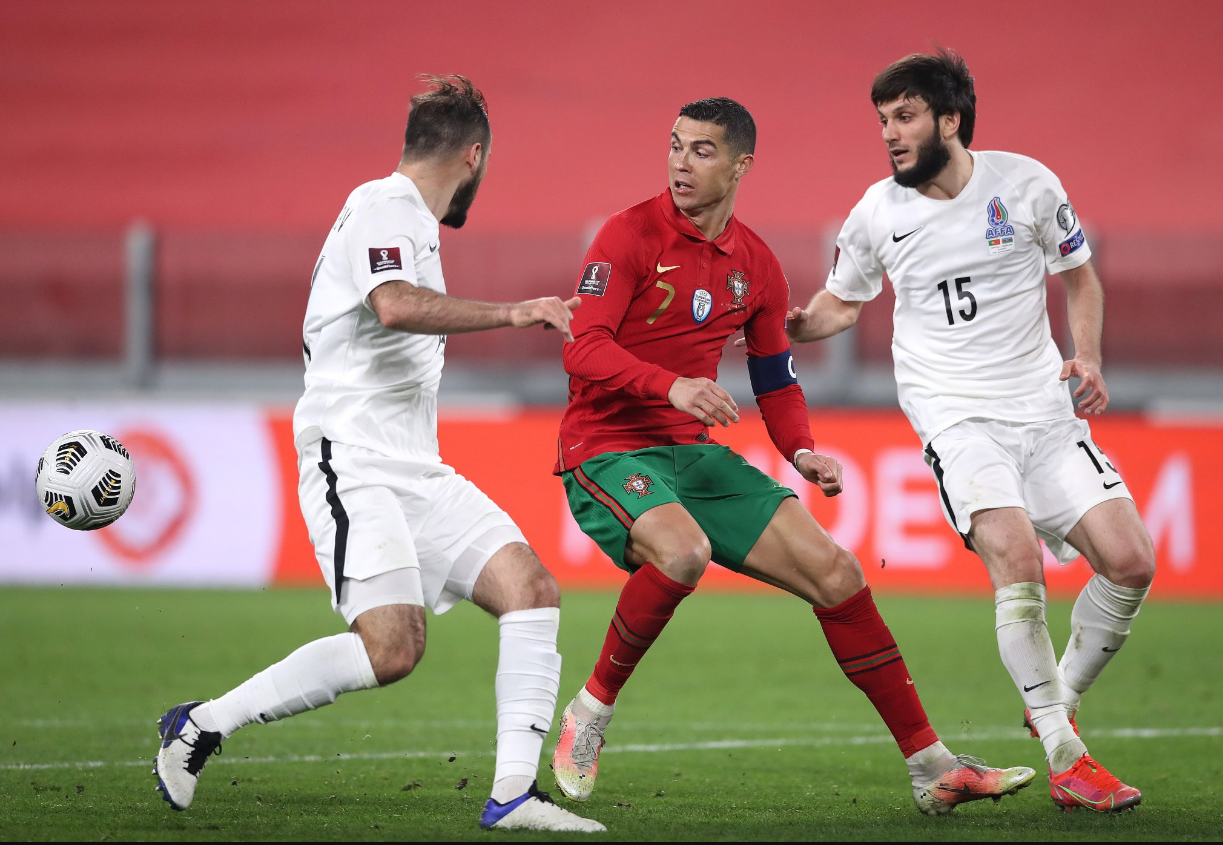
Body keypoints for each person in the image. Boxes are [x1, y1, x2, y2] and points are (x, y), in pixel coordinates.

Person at [550, 96, 1034, 816]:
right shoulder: (627, 235)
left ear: (742, 165)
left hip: (691, 451)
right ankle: (589, 711)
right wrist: (673, 385)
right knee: (682, 552)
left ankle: (933, 767)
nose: (682, 162)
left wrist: (800, 449)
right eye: (676, 146)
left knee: (837, 573)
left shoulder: (757, 267)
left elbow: (774, 377)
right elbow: (583, 346)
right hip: (607, 444)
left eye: (703, 150)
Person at [151, 75, 604, 833]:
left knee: (530, 589)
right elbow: (393, 305)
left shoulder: (414, 225)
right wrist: (517, 309)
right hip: (351, 456)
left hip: (414, 465)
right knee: (393, 648)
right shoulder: (380, 207)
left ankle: (514, 796)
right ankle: (199, 724)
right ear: (474, 155)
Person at [783, 50, 1155, 813]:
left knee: (1130, 561)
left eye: (906, 115)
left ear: (950, 120)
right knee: (1016, 556)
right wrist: (795, 325)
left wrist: (1086, 354)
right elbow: (840, 304)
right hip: (956, 416)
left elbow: (1078, 272)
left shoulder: (1025, 185)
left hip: (1044, 412)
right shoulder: (878, 212)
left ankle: (1054, 698)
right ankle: (1065, 755)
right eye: (883, 119)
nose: (889, 133)